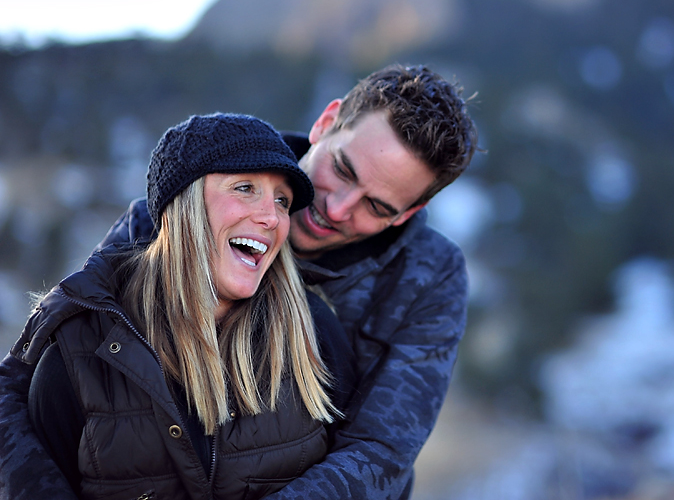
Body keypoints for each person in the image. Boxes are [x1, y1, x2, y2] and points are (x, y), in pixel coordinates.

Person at [0, 64, 477, 500]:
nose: (336, 209)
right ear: (326, 122)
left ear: (408, 214)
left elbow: (382, 450)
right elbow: (28, 379)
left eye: (376, 206)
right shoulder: (175, 214)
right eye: (342, 170)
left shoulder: (430, 276)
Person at [0, 113, 356, 499]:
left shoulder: (314, 334)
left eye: (282, 200)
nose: (271, 217)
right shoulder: (79, 359)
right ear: (183, 203)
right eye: (244, 188)